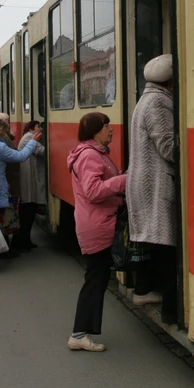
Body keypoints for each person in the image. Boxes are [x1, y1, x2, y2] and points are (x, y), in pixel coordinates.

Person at [66, 112, 127, 352]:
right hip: (97, 225)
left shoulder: (91, 153)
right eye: (106, 125)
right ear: (95, 131)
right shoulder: (90, 155)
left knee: (97, 279)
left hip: (96, 223)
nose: (111, 129)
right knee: (95, 280)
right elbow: (94, 191)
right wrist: (123, 181)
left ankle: (81, 332)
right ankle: (79, 333)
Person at [126, 54, 179, 323]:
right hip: (154, 185)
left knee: (154, 242)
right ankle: (171, 311)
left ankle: (145, 290)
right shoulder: (159, 102)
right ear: (171, 82)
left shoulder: (145, 98)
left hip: (143, 183)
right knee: (167, 247)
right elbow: (168, 147)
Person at [0, 114, 41, 256]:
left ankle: (0, 248)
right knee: (0, 218)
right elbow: (20, 156)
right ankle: (0, 249)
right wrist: (33, 142)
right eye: (5, 126)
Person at [16, 120, 47, 251]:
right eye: (38, 126)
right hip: (29, 182)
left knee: (28, 213)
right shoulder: (29, 138)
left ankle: (25, 240)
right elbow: (42, 152)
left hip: (30, 180)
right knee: (28, 213)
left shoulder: (27, 137)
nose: (41, 128)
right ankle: (23, 241)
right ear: (31, 129)